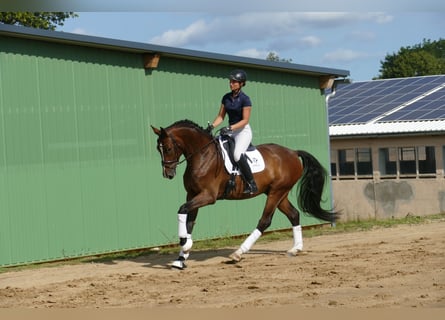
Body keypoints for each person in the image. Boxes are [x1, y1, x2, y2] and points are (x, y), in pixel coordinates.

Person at [207, 69, 258, 194]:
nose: (231, 84)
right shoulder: (226, 97)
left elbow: (245, 120)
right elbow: (221, 116)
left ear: (241, 83)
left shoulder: (245, 99)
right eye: (230, 81)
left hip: (242, 131)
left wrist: (230, 128)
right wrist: (211, 126)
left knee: (236, 154)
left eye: (234, 82)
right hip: (230, 131)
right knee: (216, 148)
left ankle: (251, 184)